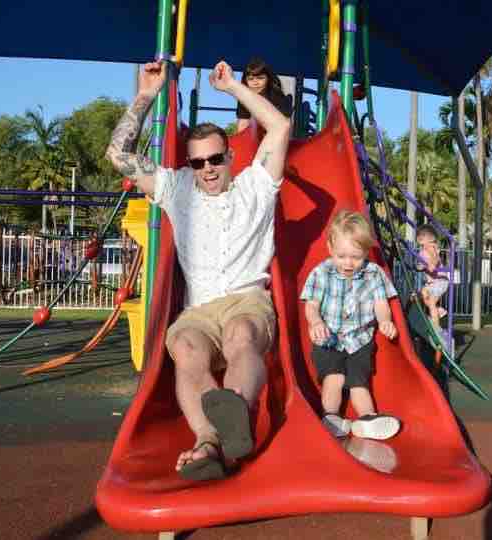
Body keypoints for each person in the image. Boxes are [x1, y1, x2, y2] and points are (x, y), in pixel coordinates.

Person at [105, 59, 290, 481]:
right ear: (189, 164)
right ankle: (208, 441)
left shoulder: (255, 186)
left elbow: (278, 128)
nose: (207, 168)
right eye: (198, 161)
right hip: (199, 311)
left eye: (215, 159)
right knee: (186, 347)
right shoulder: (176, 188)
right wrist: (146, 95)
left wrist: (234, 91)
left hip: (246, 301)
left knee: (241, 335)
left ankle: (234, 414)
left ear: (229, 156)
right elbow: (118, 155)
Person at [300, 210, 402, 441]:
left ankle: (367, 419)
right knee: (334, 378)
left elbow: (381, 303)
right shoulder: (321, 273)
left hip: (360, 340)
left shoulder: (373, 273)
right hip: (329, 338)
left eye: (355, 257)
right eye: (342, 256)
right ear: (330, 248)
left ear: (366, 252)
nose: (348, 263)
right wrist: (315, 322)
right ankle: (331, 417)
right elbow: (312, 305)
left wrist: (385, 321)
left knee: (359, 382)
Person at [236, 57, 293, 132]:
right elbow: (243, 123)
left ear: (268, 79)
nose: (255, 83)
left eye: (260, 78)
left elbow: (284, 126)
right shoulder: (244, 98)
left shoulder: (278, 97)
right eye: (250, 79)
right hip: (257, 133)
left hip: (276, 133)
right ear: (245, 81)